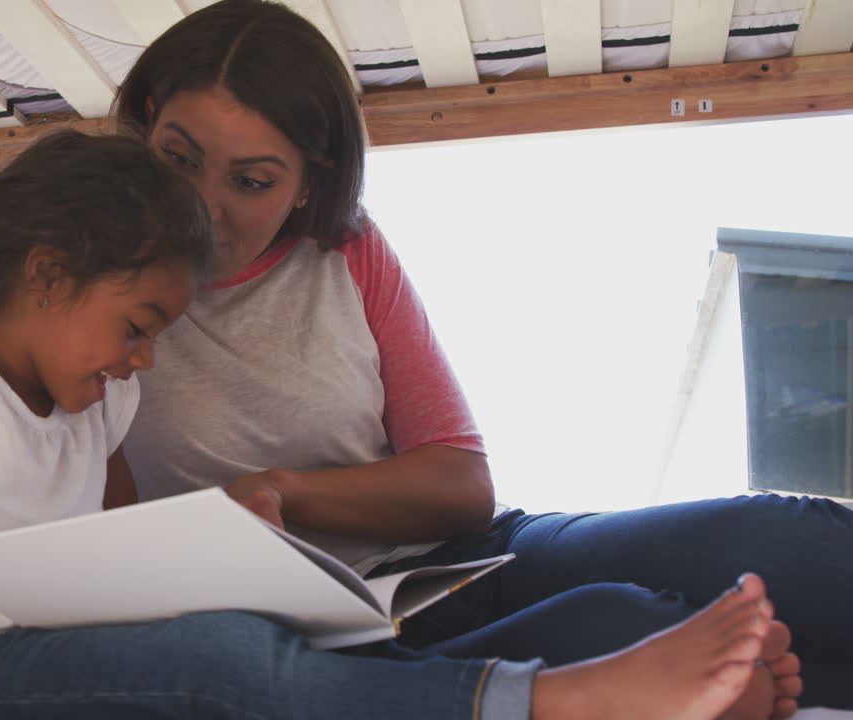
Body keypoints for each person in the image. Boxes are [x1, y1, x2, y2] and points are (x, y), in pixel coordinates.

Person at [0, 132, 793, 720]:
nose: (140, 361)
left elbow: (112, 546)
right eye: (134, 327)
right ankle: (562, 704)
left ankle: (591, 663)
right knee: (225, 659)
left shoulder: (106, 398)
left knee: (267, 637)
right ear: (45, 276)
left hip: (57, 644)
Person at [114, 0, 851, 714]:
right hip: (332, 633)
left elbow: (461, 485)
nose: (201, 206)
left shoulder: (348, 253)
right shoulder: (91, 277)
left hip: (467, 553)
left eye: (251, 182)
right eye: (179, 158)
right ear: (146, 120)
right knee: (622, 624)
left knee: (776, 532)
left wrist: (283, 491)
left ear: (311, 179)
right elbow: (112, 546)